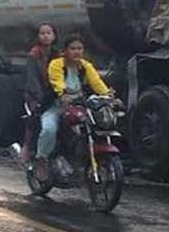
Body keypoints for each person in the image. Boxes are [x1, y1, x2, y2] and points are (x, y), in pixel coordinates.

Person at [33, 34, 112, 182]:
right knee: (49, 129)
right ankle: (41, 159)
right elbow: (57, 82)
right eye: (73, 48)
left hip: (79, 107)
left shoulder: (85, 66)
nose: (77, 52)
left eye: (80, 49)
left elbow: (97, 82)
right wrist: (62, 94)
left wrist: (108, 96)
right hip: (55, 107)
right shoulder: (57, 64)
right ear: (65, 51)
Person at [20, 23, 58, 163]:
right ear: (38, 36)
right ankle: (26, 146)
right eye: (42, 33)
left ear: (54, 36)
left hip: (53, 93)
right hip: (35, 94)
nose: (46, 36)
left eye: (49, 33)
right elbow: (32, 79)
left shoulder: (57, 54)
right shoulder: (34, 54)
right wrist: (40, 98)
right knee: (35, 115)